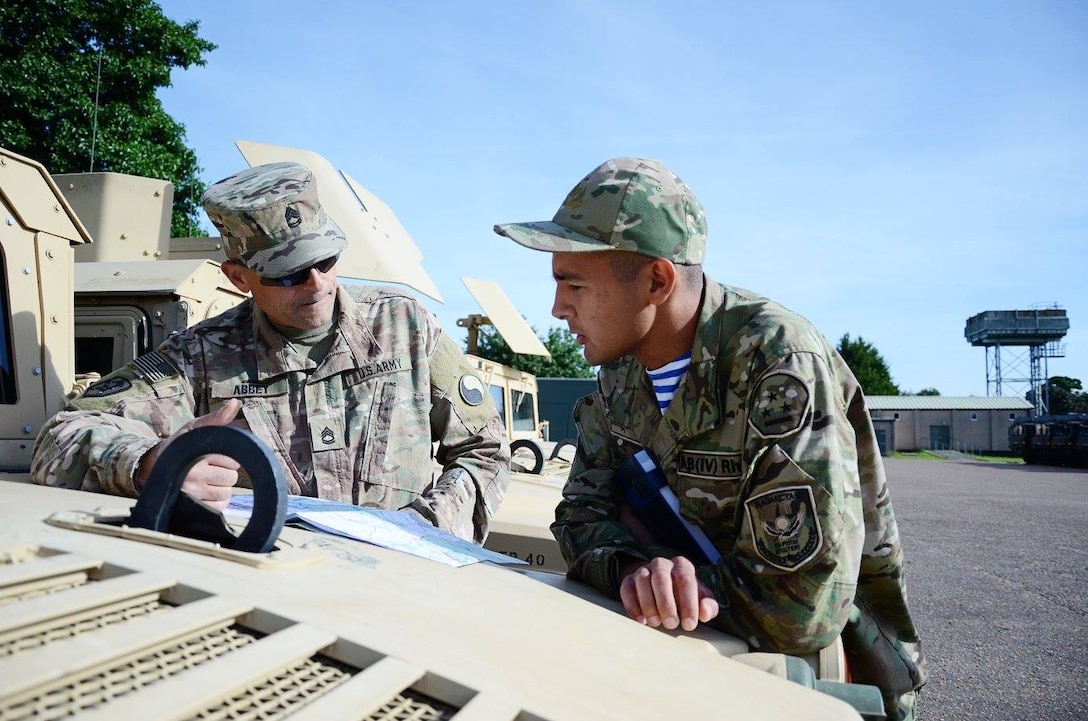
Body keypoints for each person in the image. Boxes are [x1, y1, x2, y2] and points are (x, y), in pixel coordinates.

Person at [494, 157, 927, 718]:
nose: (557, 308)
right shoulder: (618, 373)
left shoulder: (777, 360)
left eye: (573, 283)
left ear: (656, 281)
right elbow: (578, 517)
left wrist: (680, 581)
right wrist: (635, 570)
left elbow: (801, 608)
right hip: (685, 665)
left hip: (822, 682)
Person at [32, 161, 510, 543]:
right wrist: (150, 464)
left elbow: (486, 449)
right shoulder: (202, 356)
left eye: (325, 260)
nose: (317, 283)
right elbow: (60, 436)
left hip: (402, 585)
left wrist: (426, 529)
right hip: (273, 585)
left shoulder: (406, 327)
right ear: (237, 278)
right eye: (288, 273)